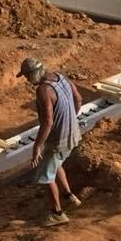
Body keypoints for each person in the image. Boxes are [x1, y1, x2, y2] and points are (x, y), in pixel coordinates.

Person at [18, 57, 83, 227]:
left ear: (33, 74)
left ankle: (57, 214)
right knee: (57, 163)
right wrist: (70, 120)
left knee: (45, 176)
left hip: (59, 139)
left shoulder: (43, 90)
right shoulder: (61, 77)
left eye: (26, 77)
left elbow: (48, 121)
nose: (27, 80)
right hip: (73, 133)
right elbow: (78, 99)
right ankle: (69, 197)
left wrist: (37, 146)